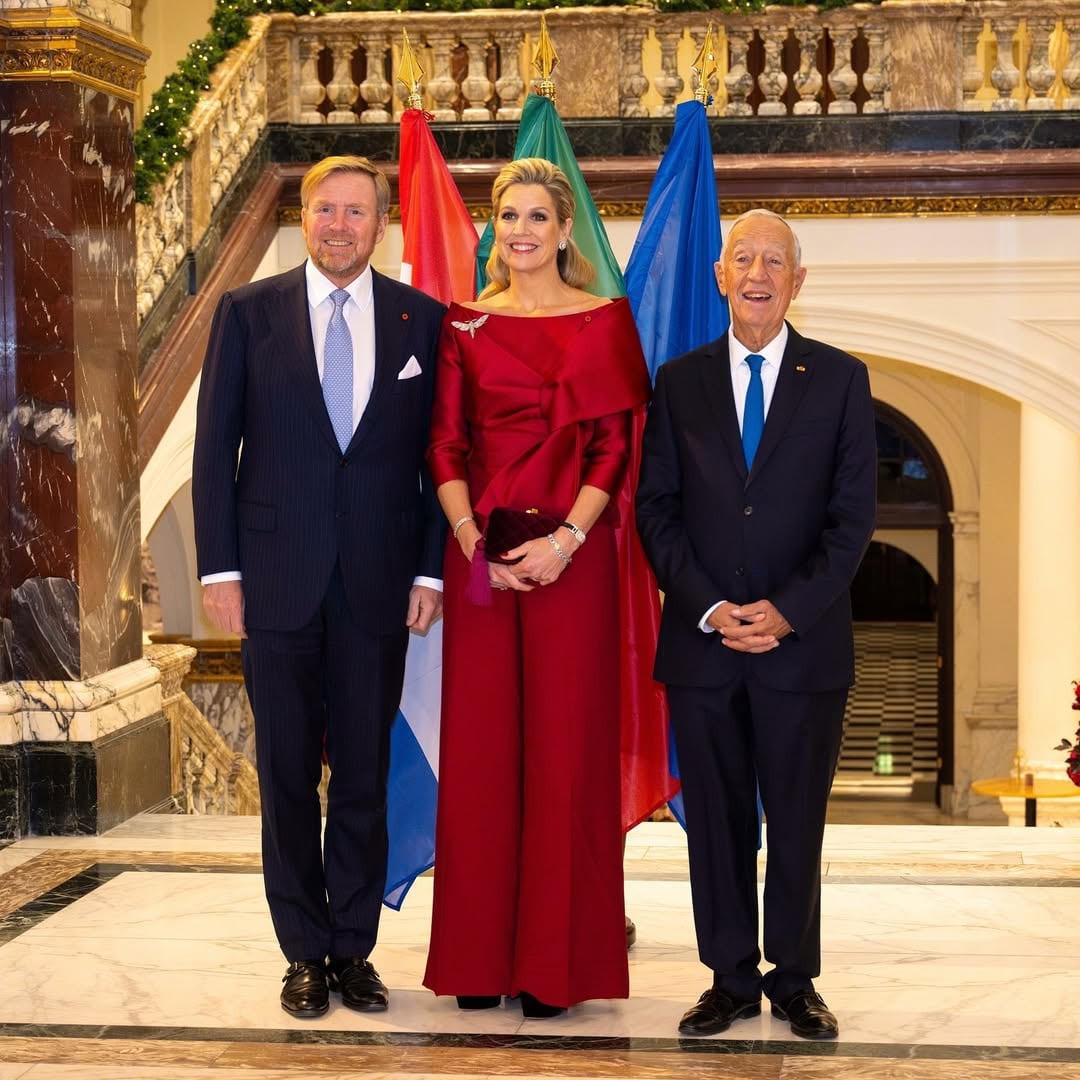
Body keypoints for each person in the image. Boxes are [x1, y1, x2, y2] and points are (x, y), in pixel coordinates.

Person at [191, 155, 446, 1019]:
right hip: (275, 583)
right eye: (326, 210)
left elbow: (437, 461)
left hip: (379, 587)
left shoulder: (422, 321)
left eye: (358, 212)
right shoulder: (246, 313)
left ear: (384, 224)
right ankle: (302, 950)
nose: (341, 225)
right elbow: (212, 449)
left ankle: (354, 947)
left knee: (367, 777)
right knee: (289, 776)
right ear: (306, 217)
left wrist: (428, 567)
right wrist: (219, 570)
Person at [423, 158, 667, 1018]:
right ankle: (479, 959)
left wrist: (566, 540)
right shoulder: (463, 324)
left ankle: (556, 965)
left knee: (565, 755)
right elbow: (444, 447)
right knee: (485, 755)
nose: (520, 230)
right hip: (481, 558)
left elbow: (613, 451)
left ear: (567, 231)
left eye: (537, 216)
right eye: (507, 216)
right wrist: (468, 541)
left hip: (576, 561)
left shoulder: (605, 321)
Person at [636, 209, 876, 1040]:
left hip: (802, 649)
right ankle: (730, 978)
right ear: (720, 275)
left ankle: (795, 977)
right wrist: (708, 605)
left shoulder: (841, 379)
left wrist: (786, 611)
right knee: (718, 823)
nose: (758, 274)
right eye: (744, 258)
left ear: (797, 280)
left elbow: (851, 521)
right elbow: (655, 509)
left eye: (775, 260)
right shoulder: (679, 380)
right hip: (703, 647)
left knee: (798, 821)